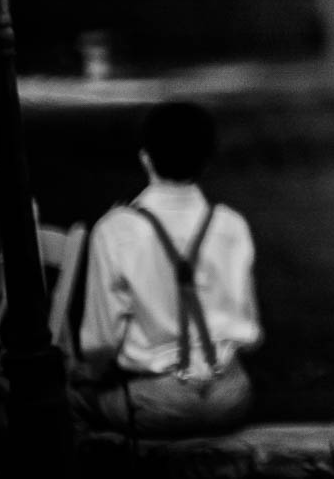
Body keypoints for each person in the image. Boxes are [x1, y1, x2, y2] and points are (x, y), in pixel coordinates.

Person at [75, 99, 261, 438]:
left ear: (145, 157)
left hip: (158, 402)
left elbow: (99, 345)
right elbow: (250, 334)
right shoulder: (231, 225)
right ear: (207, 160)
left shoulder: (116, 230)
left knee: (68, 401)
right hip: (231, 396)